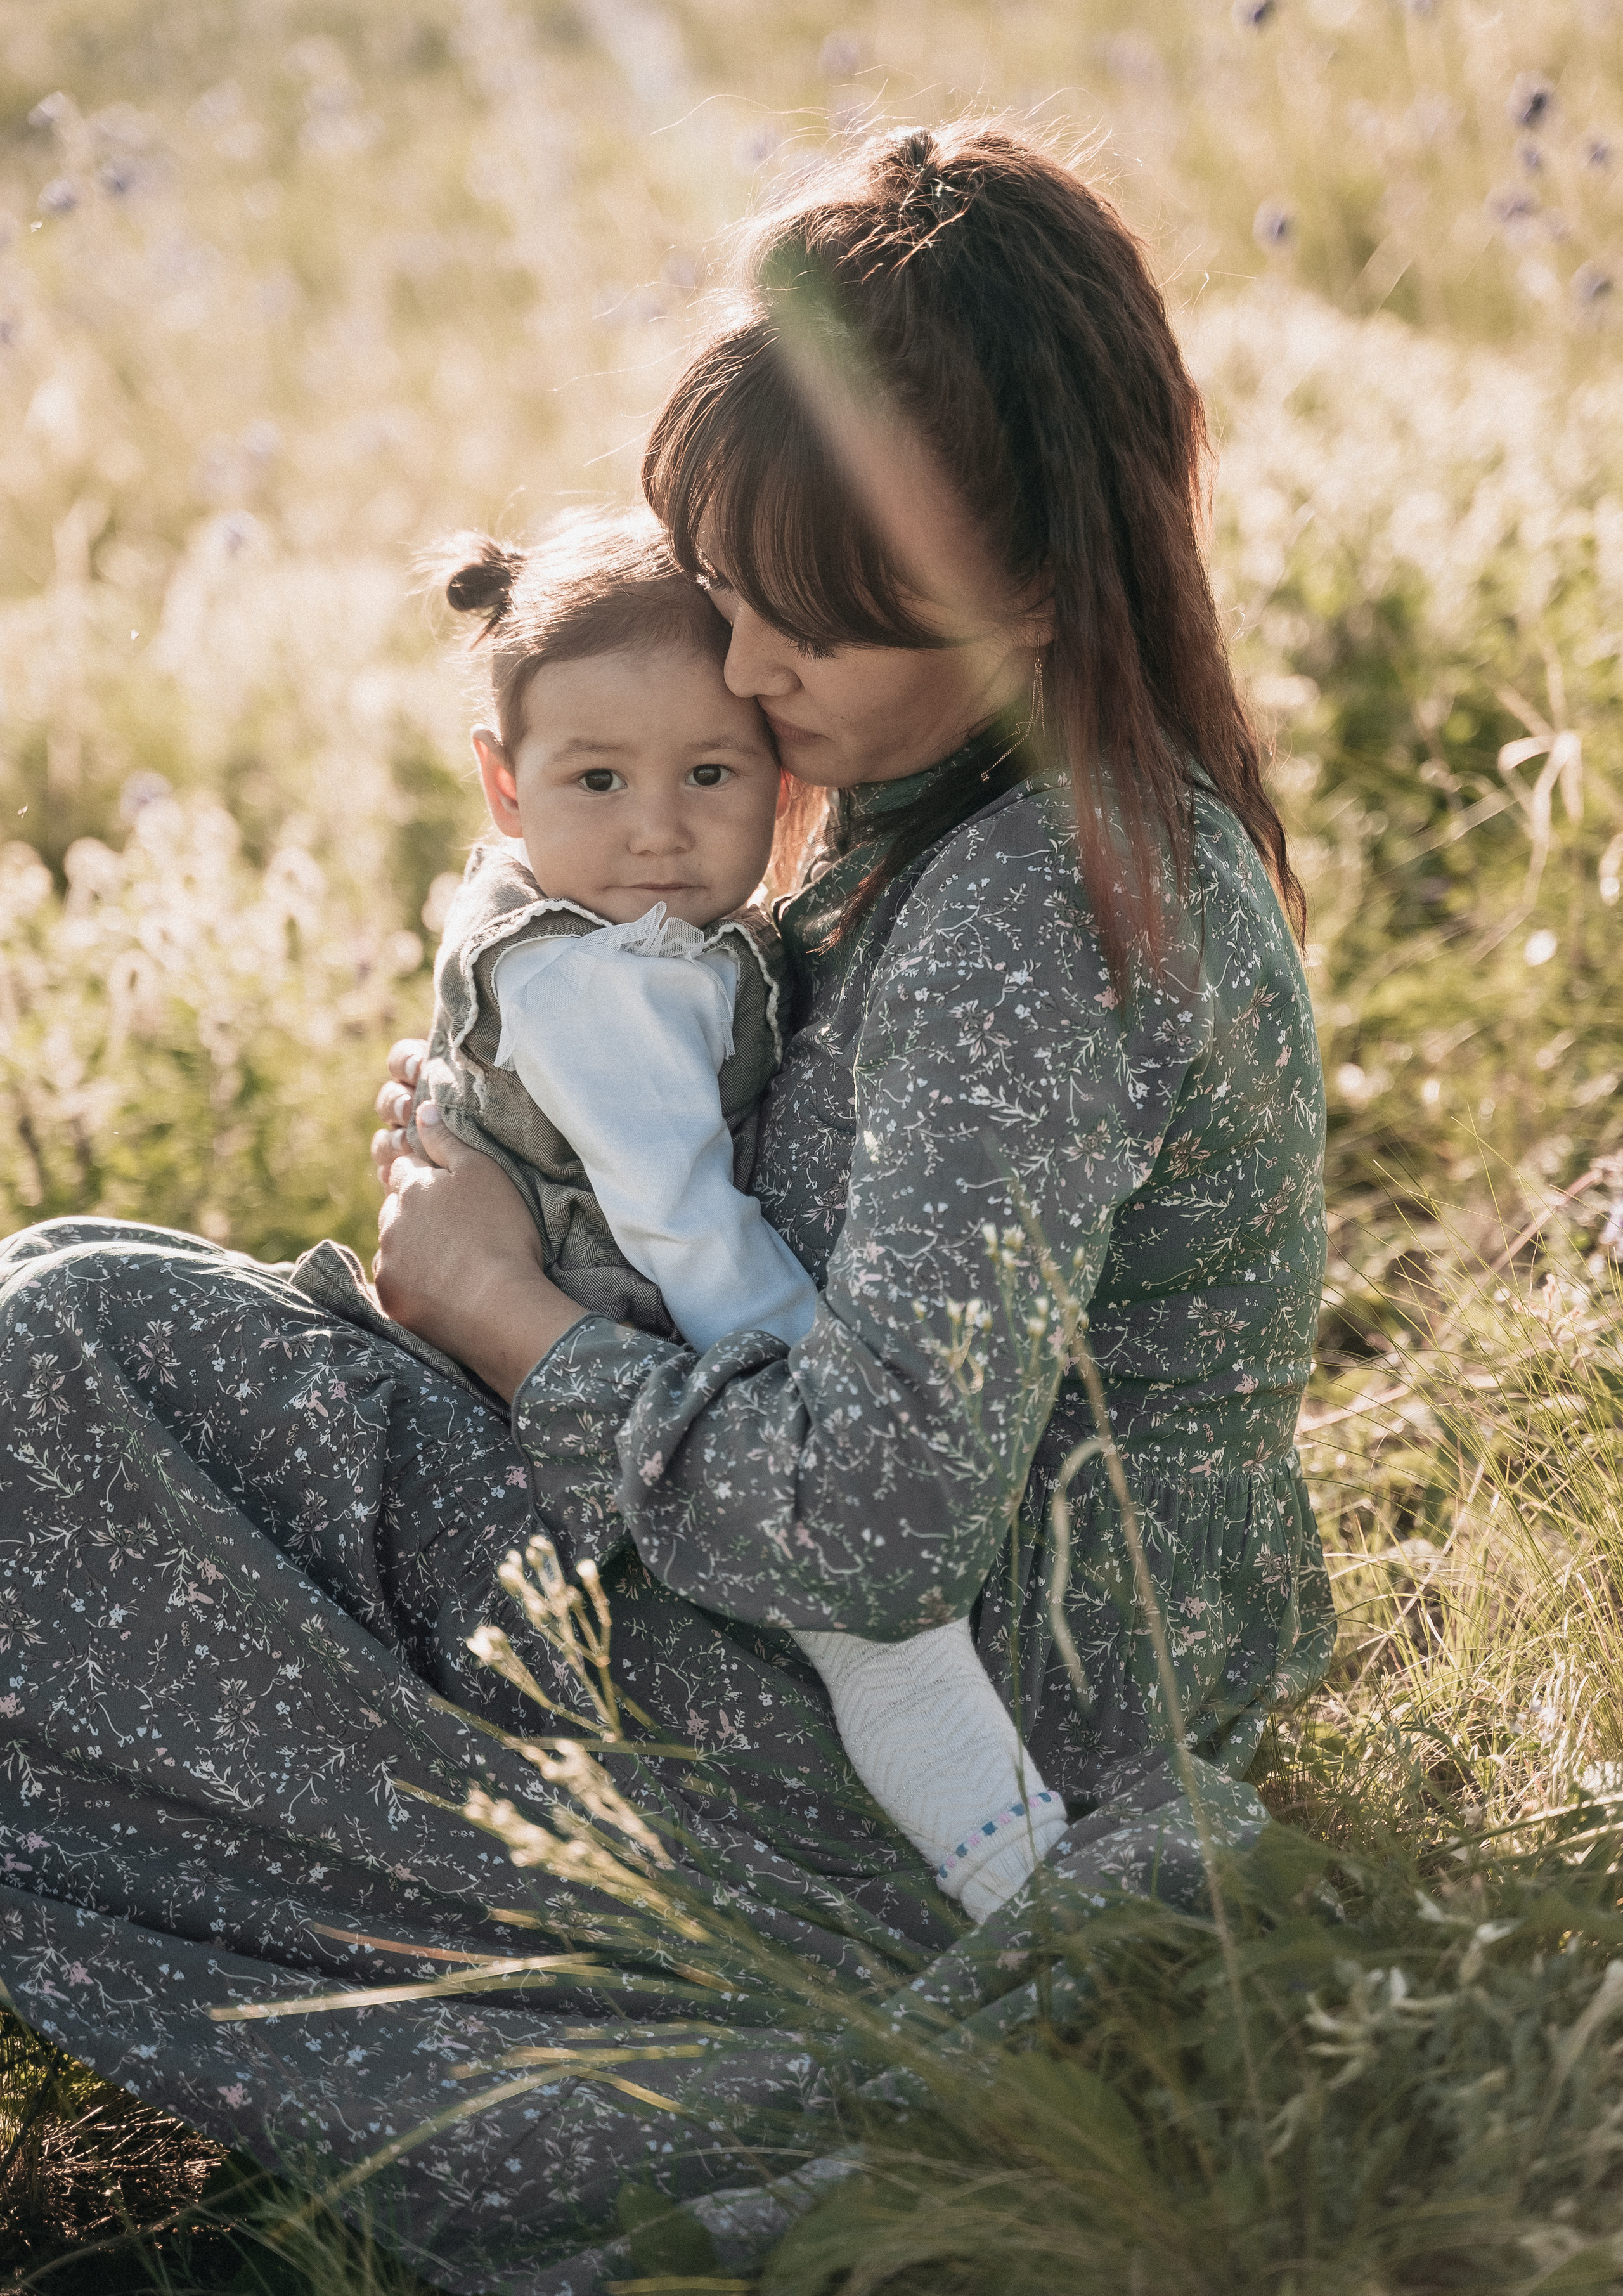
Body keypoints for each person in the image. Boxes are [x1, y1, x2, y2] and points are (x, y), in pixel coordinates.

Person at [0, 121, 1333, 2295]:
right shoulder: (965, 812)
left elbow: (888, 1517)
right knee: (69, 1320)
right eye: (730, 581)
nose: (744, 658)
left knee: (50, 1383)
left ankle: (449, 2070)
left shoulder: (1034, 911)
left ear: (1015, 586)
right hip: (835, 1617)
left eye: (805, 615)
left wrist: (512, 1323)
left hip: (933, 1734)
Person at [351, 501, 1069, 1921]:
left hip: (614, 1379)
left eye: (706, 773)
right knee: (882, 1640)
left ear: (777, 768)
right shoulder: (584, 982)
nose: (661, 833)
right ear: (504, 787)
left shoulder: (623, 928)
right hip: (627, 1377)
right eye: (598, 782)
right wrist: (819, 1395)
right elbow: (684, 1223)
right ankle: (1026, 1895)